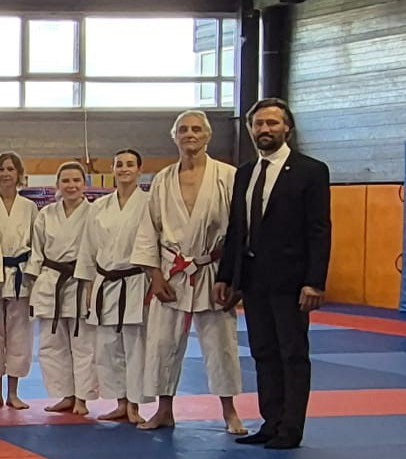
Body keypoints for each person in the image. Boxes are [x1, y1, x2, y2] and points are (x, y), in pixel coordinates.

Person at [218, 97, 331, 450]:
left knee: (292, 354)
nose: (265, 129)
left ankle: (291, 428)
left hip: (292, 280)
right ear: (251, 129)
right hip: (254, 279)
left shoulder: (311, 171)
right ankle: (271, 421)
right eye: (259, 124)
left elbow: (319, 229)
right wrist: (226, 276)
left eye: (272, 123)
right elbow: (237, 229)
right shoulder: (245, 173)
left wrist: (314, 281)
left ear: (288, 128)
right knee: (263, 352)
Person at [142, 111, 247, 435]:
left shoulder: (227, 176)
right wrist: (155, 276)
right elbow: (149, 230)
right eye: (184, 129)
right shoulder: (162, 179)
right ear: (175, 137)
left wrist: (232, 278)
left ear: (208, 136)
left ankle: (230, 411)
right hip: (171, 272)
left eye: (197, 129)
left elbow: (239, 231)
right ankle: (164, 410)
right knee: (162, 343)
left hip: (213, 270)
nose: (190, 134)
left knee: (221, 344)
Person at [82, 148, 156, 426]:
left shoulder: (149, 203)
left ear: (139, 170)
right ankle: (120, 403)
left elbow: (157, 245)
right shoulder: (99, 207)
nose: (124, 169)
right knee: (108, 346)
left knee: (136, 346)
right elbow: (88, 248)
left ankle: (135, 404)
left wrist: (155, 281)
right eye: (119, 164)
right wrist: (89, 285)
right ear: (112, 169)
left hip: (137, 281)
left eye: (129, 164)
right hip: (105, 282)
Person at [31, 162, 97, 416]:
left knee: (83, 344)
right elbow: (37, 251)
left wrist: (93, 284)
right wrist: (34, 281)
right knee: (51, 344)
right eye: (66, 181)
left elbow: (99, 249)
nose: (71, 185)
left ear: (84, 184)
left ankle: (82, 398)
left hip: (82, 280)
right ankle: (66, 395)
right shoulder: (46, 214)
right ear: (57, 185)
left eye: (76, 180)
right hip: (51, 281)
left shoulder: (94, 213)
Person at [0, 151, 38, 411]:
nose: (5, 174)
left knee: (19, 335)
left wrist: (33, 275)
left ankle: (14, 392)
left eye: (10, 169)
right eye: (1, 169)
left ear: (19, 174)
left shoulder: (29, 207)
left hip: (20, 275)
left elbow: (37, 244)